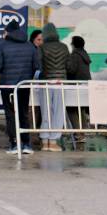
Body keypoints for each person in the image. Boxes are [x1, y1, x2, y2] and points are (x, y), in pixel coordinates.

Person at [0, 19, 38, 155]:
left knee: (11, 115)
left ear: (8, 32)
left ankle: (14, 144)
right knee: (23, 113)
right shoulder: (30, 46)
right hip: (23, 86)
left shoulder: (2, 46)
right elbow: (37, 66)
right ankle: (26, 144)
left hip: (8, 86)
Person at [37, 23, 69, 152]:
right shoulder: (64, 47)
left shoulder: (42, 47)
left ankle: (45, 142)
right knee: (58, 111)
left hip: (45, 82)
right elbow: (70, 65)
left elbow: (38, 65)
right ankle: (54, 142)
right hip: (60, 82)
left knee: (46, 111)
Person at [66, 34, 92, 147]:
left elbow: (71, 70)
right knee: (81, 109)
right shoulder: (84, 54)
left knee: (71, 108)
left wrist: (65, 64)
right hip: (85, 85)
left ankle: (78, 133)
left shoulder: (74, 55)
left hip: (75, 84)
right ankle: (82, 132)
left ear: (73, 45)